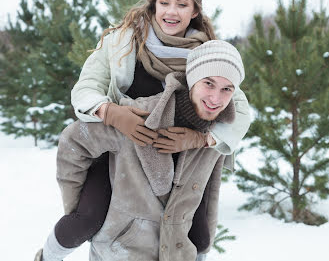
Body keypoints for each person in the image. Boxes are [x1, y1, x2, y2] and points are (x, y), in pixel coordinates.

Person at [39, 40, 246, 261]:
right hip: (119, 251)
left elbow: (209, 194)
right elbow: (74, 141)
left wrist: (202, 249)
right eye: (209, 84)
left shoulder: (217, 133)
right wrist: (77, 210)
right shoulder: (142, 114)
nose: (216, 98)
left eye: (226, 89)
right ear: (192, 80)